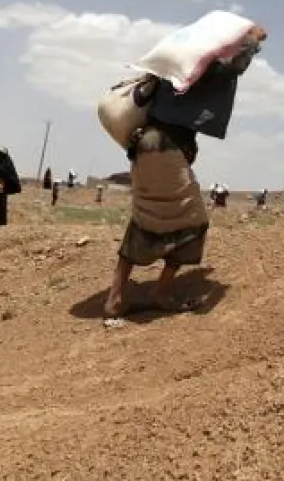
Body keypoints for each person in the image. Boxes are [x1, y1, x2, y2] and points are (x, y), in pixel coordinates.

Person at [104, 36, 261, 321]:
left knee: (145, 216)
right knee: (193, 222)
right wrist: (252, 43)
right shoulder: (195, 74)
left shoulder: (167, 72)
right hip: (166, 150)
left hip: (143, 148)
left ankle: (115, 297)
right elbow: (232, 67)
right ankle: (161, 293)